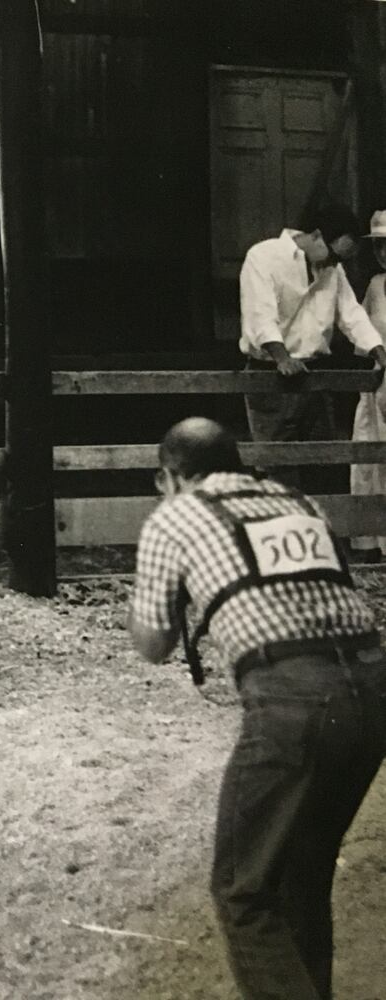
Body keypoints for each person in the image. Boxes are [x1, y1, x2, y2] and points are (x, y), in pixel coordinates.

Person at [129, 416, 386, 1000]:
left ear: (169, 476)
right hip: (372, 689)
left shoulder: (176, 514)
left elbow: (152, 644)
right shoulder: (298, 500)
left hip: (292, 696)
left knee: (243, 890)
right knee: (303, 877)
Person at [239, 201, 386, 489]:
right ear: (317, 236)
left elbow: (351, 314)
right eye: (333, 255)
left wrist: (378, 350)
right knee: (278, 470)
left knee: (322, 467)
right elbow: (260, 314)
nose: (334, 263)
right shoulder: (264, 256)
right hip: (270, 375)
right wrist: (281, 357)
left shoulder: (331, 269)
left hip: (314, 376)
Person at [349, 208, 386, 559]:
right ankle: (372, 540)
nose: (384, 253)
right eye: (378, 246)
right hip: (378, 386)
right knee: (370, 457)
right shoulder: (376, 285)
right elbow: (362, 334)